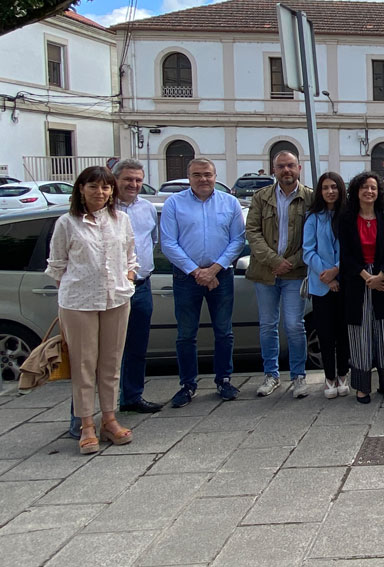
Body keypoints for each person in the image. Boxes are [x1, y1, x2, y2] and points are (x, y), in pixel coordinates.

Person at [47, 166, 138, 454]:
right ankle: (86, 424)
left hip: (116, 299)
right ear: (81, 189)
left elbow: (130, 256)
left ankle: (109, 420)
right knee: (84, 366)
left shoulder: (120, 220)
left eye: (106, 187)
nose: (100, 192)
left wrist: (129, 278)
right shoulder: (67, 223)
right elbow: (57, 266)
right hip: (79, 303)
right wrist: (75, 288)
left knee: (111, 364)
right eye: (94, 187)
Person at [161, 158, 245, 408]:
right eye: (197, 175)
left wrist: (215, 269)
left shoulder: (229, 203)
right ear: (189, 178)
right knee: (186, 334)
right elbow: (168, 243)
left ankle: (224, 380)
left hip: (222, 275)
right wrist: (197, 271)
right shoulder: (174, 203)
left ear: (215, 175)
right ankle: (188, 385)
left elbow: (237, 241)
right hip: (186, 277)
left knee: (224, 331)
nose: (203, 179)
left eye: (207, 174)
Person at [248, 151, 314, 399]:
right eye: (280, 166)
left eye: (290, 166)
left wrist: (290, 262)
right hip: (265, 273)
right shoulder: (261, 197)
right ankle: (271, 375)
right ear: (273, 170)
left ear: (299, 167)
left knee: (295, 325)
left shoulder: (310, 198)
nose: (286, 170)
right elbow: (252, 232)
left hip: (295, 273)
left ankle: (299, 376)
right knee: (267, 326)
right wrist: (274, 261)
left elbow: (312, 237)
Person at [338, 172, 384, 403]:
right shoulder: (346, 218)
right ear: (357, 191)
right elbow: (345, 253)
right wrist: (367, 276)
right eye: (365, 187)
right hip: (357, 280)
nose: (369, 192)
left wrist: (381, 273)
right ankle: (362, 387)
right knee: (360, 335)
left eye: (374, 188)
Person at [114, 159, 162, 413]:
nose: (133, 184)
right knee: (102, 352)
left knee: (137, 346)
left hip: (141, 286)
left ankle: (131, 397)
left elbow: (151, 242)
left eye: (138, 180)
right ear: (116, 180)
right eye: (128, 179)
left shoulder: (147, 209)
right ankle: (88, 412)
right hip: (112, 289)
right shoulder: (104, 208)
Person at [304, 171, 350, 399]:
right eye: (325, 187)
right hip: (321, 285)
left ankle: (343, 374)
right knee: (325, 333)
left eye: (334, 187)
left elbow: (353, 249)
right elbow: (307, 251)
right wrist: (327, 275)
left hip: (345, 283)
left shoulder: (349, 216)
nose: (330, 191)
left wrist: (338, 270)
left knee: (344, 332)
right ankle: (329, 377)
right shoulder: (313, 217)